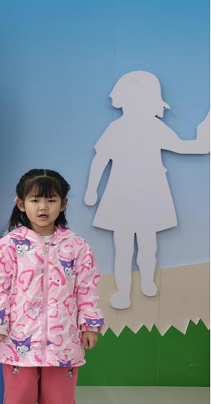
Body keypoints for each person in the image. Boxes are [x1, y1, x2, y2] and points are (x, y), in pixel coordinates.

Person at [0, 169, 104, 404]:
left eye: (50, 200)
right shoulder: (9, 245)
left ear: (63, 204)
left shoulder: (77, 246)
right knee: (19, 401)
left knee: (59, 403)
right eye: (35, 200)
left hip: (64, 342)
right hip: (18, 340)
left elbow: (87, 289)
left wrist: (90, 324)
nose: (43, 207)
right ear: (21, 203)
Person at [85, 71, 210, 309]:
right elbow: (100, 159)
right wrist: (92, 189)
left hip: (148, 193)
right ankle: (123, 292)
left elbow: (184, 147)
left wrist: (205, 136)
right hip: (122, 194)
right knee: (124, 248)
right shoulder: (117, 128)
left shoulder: (154, 127)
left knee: (147, 245)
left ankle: (147, 281)